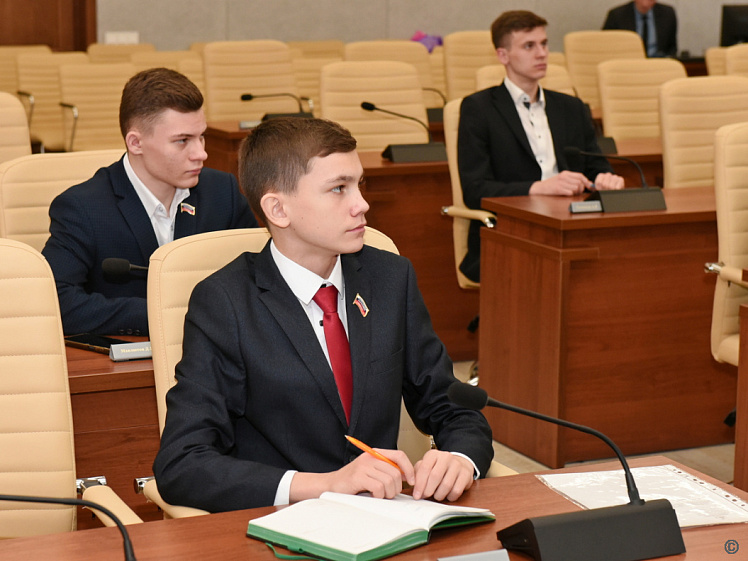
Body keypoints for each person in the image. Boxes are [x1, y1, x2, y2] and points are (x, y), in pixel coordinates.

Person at [152, 117, 494, 512]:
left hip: (384, 519)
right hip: (281, 524)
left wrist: (460, 459)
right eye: (338, 189)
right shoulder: (225, 302)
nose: (361, 204)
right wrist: (324, 485)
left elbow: (450, 403)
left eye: (359, 184)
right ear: (278, 209)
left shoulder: (390, 278)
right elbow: (182, 464)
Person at [42, 67, 257, 336]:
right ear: (136, 143)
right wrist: (161, 314)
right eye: (182, 141)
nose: (201, 153)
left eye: (201, 136)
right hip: (132, 354)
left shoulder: (222, 192)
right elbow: (55, 300)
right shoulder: (82, 208)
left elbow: (262, 277)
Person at [457, 10, 624, 282]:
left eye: (544, 44)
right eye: (529, 46)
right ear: (503, 55)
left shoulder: (572, 108)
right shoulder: (479, 109)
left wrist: (606, 180)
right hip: (511, 232)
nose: (542, 53)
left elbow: (596, 167)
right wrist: (539, 187)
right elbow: (475, 190)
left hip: (573, 225)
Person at [603, 0, 678, 58]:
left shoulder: (668, 14)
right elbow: (606, 48)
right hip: (627, 65)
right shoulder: (616, 15)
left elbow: (672, 48)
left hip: (658, 65)